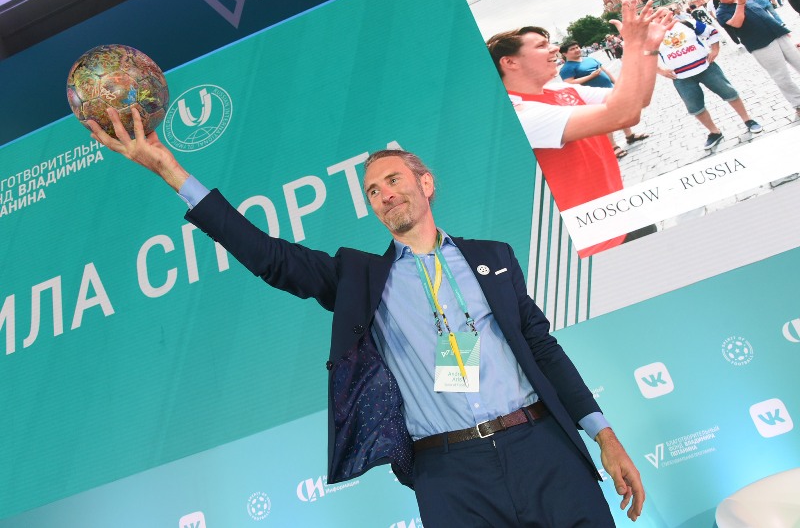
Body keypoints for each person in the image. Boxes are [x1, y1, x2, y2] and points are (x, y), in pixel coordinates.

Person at [87, 118, 646, 524]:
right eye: (373, 191)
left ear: (425, 184)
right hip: (449, 473)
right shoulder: (359, 279)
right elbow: (268, 256)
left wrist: (605, 435)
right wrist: (170, 170)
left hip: (542, 446)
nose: (384, 195)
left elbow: (542, 348)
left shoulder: (492, 256)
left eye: (393, 180)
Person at [487, 0, 672, 257]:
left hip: (623, 213)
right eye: (541, 46)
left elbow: (638, 100)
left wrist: (649, 48)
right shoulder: (518, 114)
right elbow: (624, 115)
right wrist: (632, 44)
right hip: (597, 243)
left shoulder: (561, 89)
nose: (554, 48)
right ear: (510, 62)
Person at [656, 16, 763, 149]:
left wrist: (715, 50)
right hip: (681, 77)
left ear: (671, 14)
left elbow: (711, 32)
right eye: (659, 16)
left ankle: (748, 120)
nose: (664, 18)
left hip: (706, 68)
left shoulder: (687, 23)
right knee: (695, 107)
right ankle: (714, 132)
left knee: (729, 92)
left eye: (665, 14)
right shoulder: (652, 34)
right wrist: (660, 70)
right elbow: (645, 55)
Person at [559, 40, 651, 158]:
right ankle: (613, 146)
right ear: (565, 54)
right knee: (607, 121)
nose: (577, 50)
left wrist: (616, 83)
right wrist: (591, 76)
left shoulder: (589, 59)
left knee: (620, 114)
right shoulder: (566, 68)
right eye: (572, 49)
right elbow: (570, 83)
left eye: (577, 47)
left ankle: (630, 136)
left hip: (610, 90)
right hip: (594, 98)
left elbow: (605, 71)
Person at [714, 0, 800, 116]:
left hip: (778, 35)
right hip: (761, 44)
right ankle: (798, 103)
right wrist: (740, 4)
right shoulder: (721, 12)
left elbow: (764, 15)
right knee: (781, 76)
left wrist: (781, 30)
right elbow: (737, 23)